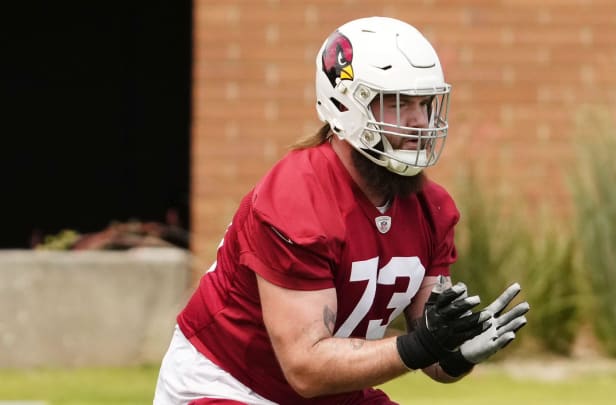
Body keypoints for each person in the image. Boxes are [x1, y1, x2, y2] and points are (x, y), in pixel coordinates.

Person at [153, 16, 530, 405]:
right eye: (399, 104)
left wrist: (456, 352)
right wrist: (423, 344)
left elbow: (429, 347)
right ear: (347, 104)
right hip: (229, 385)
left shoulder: (432, 209)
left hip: (332, 391)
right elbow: (306, 368)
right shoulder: (297, 198)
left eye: (424, 103)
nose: (419, 120)